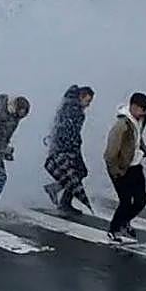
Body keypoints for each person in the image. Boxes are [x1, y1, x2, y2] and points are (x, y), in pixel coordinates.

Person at [104, 92, 146, 242]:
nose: (144, 113)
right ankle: (114, 229)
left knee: (140, 201)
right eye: (142, 110)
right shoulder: (121, 125)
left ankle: (124, 222)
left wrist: (143, 148)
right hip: (121, 168)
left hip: (136, 166)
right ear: (133, 106)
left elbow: (137, 136)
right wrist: (115, 171)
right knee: (125, 201)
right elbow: (110, 153)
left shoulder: (141, 119)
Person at [43, 85, 95, 215]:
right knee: (79, 172)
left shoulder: (67, 106)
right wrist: (72, 148)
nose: (88, 105)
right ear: (81, 96)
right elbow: (69, 132)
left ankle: (56, 191)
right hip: (66, 148)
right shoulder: (74, 111)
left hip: (63, 146)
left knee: (78, 172)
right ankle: (63, 201)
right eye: (87, 101)